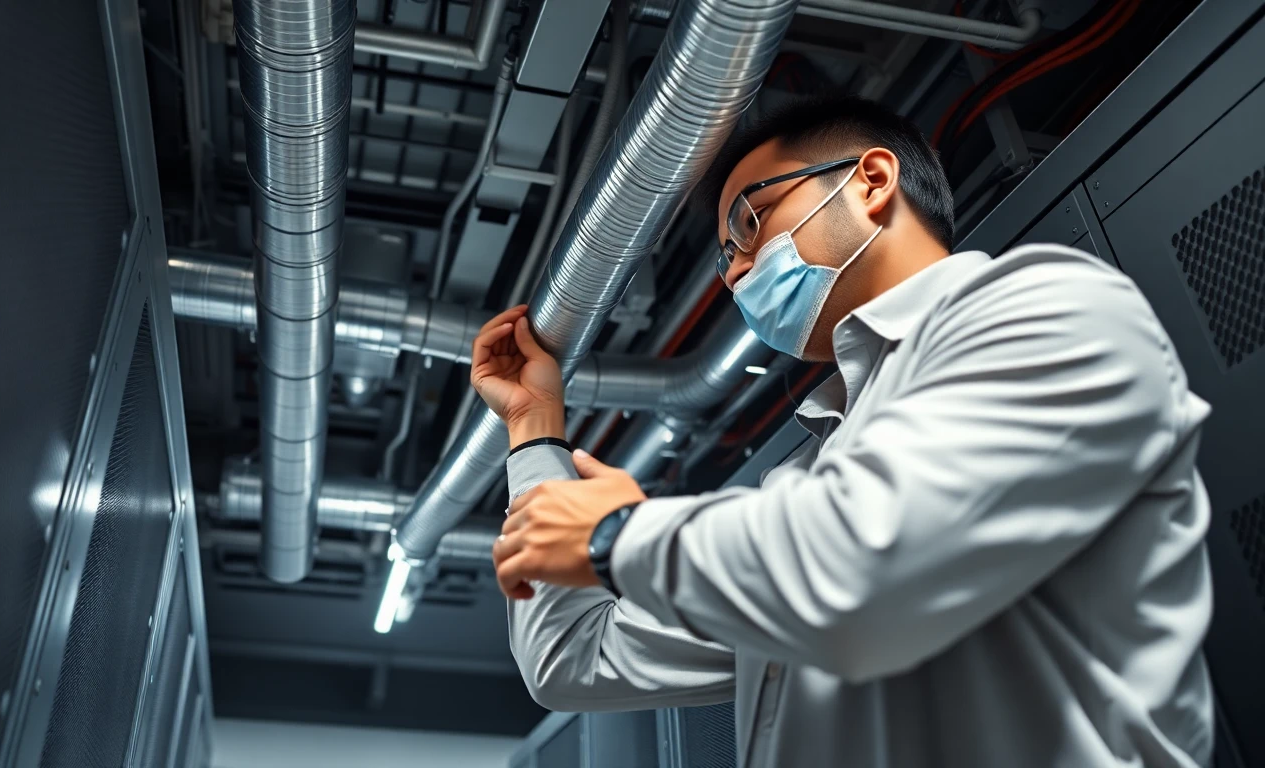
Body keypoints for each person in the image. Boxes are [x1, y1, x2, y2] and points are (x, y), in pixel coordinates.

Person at [471, 96, 1215, 767]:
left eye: (748, 226)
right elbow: (573, 661)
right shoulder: (805, 486)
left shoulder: (1051, 308)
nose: (732, 275)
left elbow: (867, 560)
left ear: (870, 181)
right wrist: (535, 432)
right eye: (727, 256)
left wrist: (621, 537)